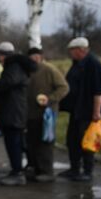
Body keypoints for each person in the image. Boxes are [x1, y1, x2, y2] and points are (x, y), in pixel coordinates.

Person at [59, 37, 101, 182]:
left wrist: (96, 112)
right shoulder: (77, 64)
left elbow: (99, 90)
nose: (70, 54)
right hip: (76, 110)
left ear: (81, 50)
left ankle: (88, 171)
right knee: (72, 140)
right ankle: (74, 168)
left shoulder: (94, 64)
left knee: (87, 140)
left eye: (72, 51)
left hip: (88, 111)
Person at [0, 41, 37, 186]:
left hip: (13, 112)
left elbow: (6, 84)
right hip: (15, 111)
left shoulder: (13, 67)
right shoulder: (16, 66)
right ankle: (18, 170)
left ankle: (17, 173)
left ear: (3, 55)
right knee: (15, 142)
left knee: (13, 143)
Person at [26, 47, 69, 182]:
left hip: (47, 114)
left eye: (37, 56)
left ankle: (47, 171)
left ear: (41, 57)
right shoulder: (27, 70)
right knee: (31, 142)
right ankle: (34, 168)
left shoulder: (49, 69)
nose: (35, 59)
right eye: (32, 57)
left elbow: (64, 87)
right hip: (30, 113)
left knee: (45, 141)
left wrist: (50, 99)